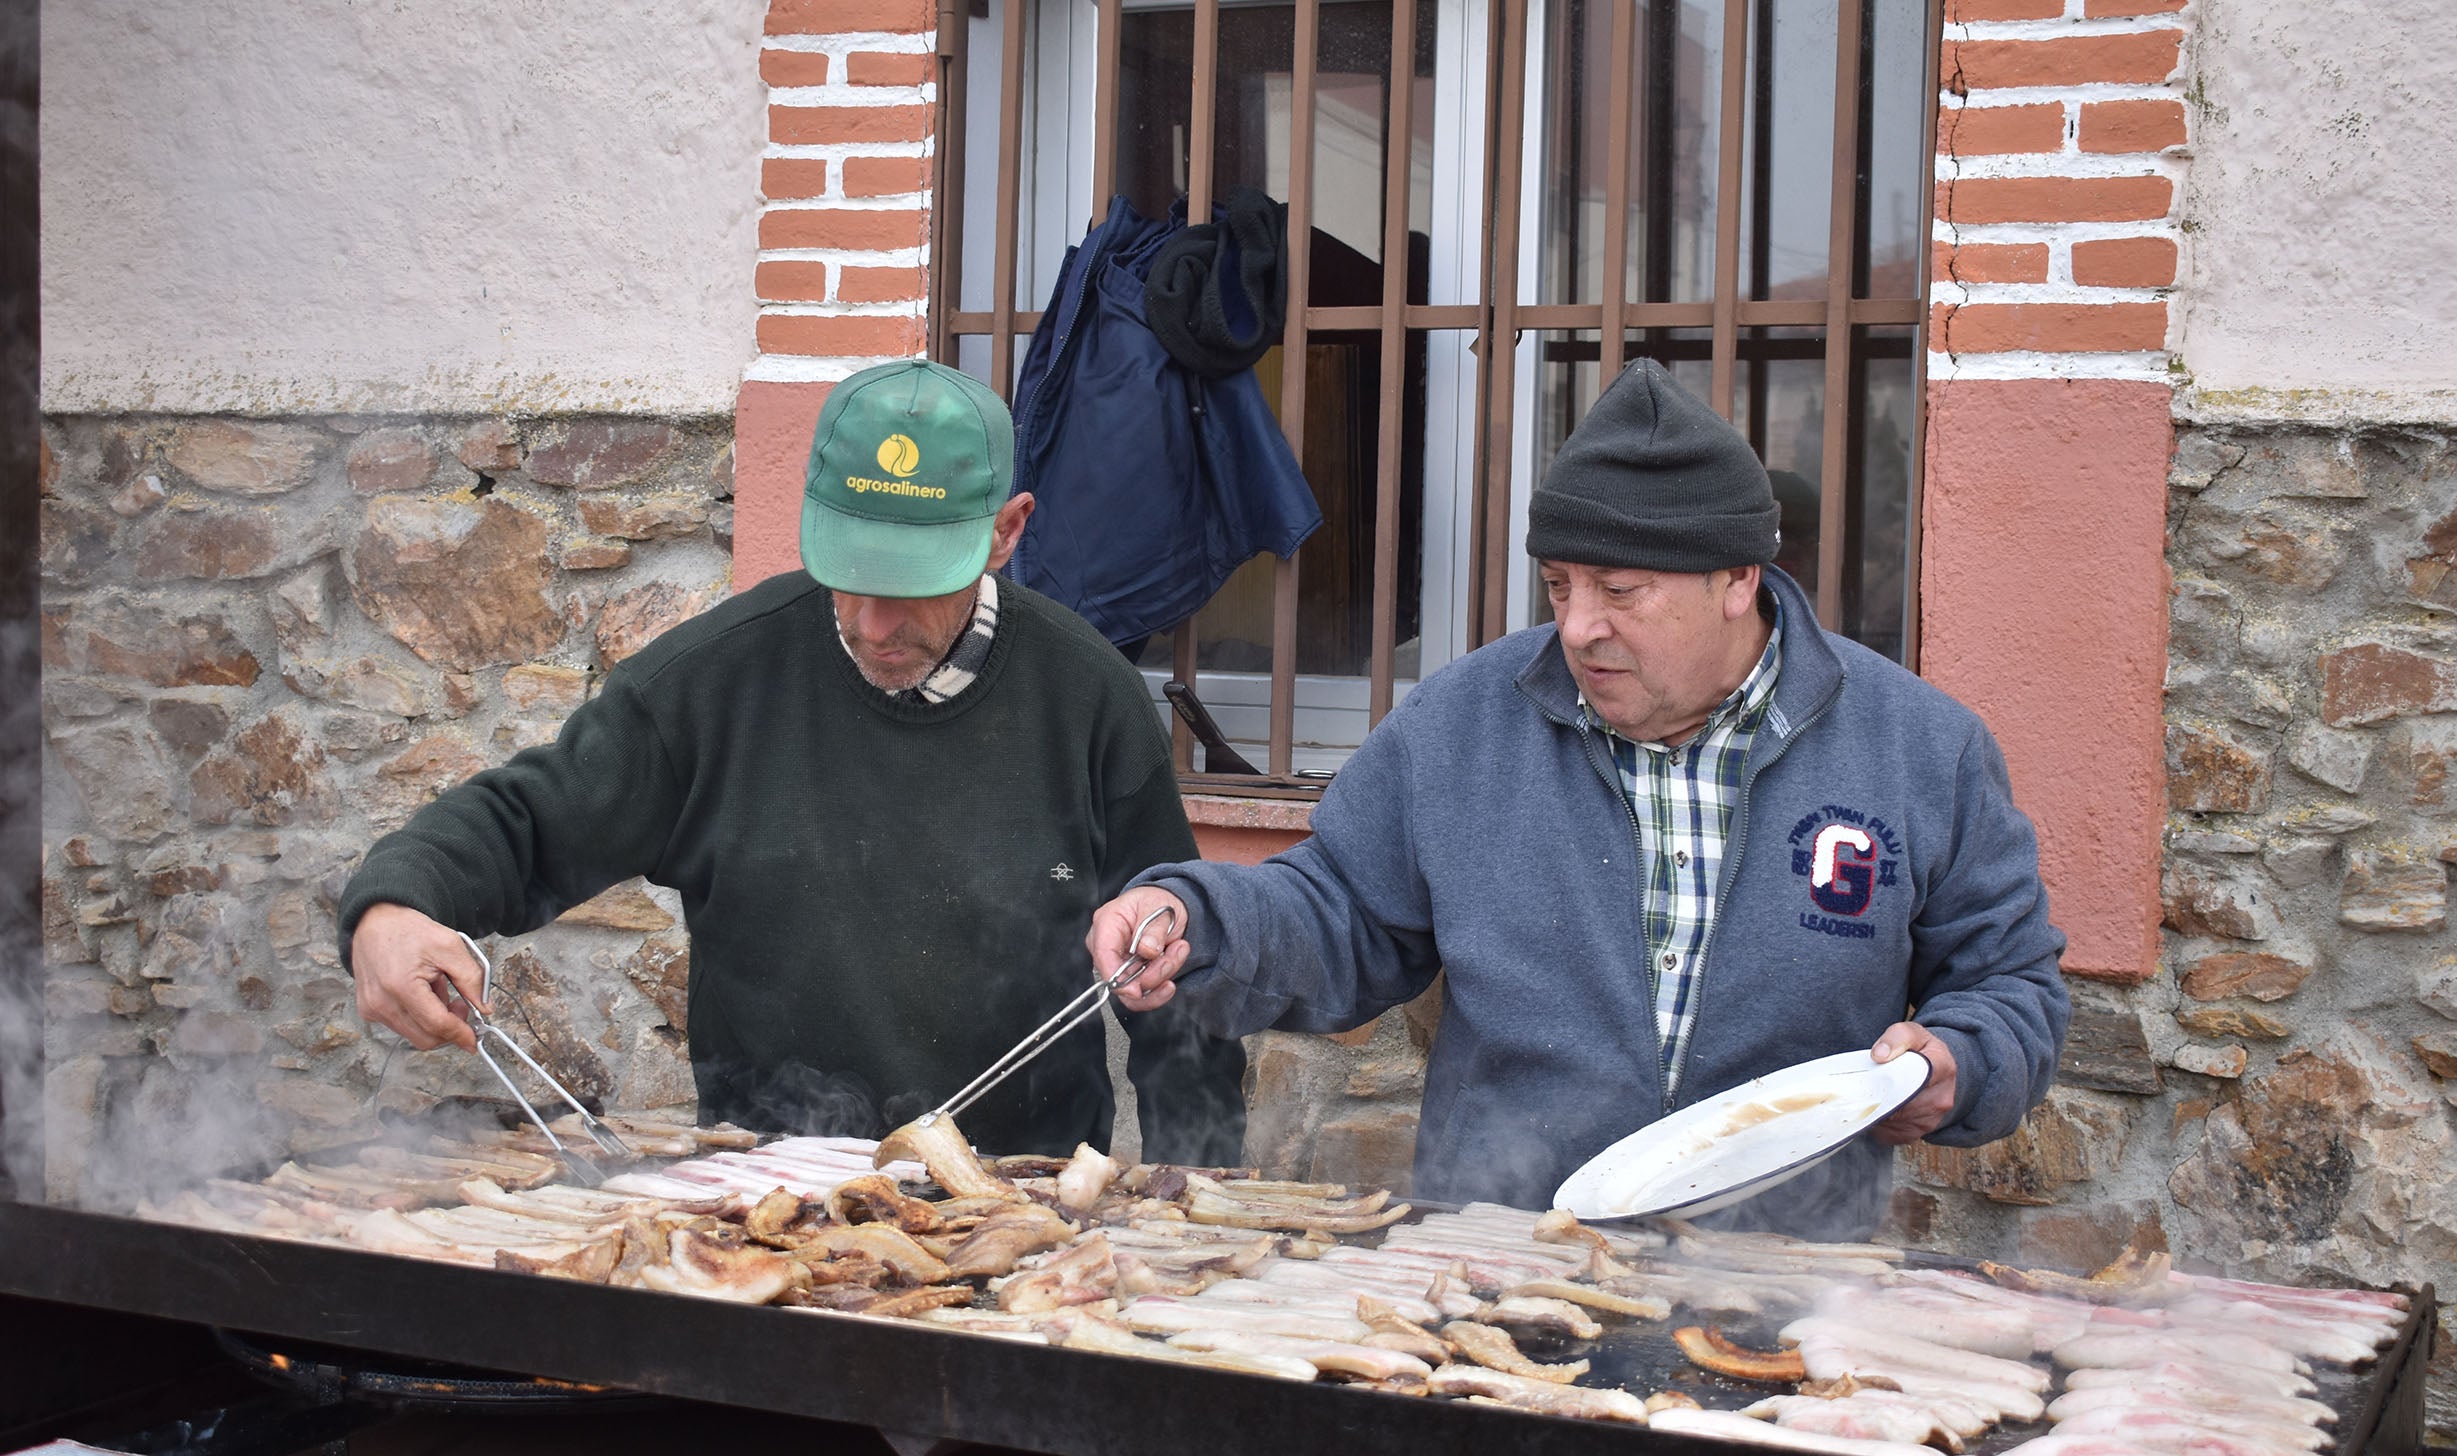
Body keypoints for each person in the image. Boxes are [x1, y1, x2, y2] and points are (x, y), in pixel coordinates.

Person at [1087, 359, 2068, 1235]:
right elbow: (1339, 908)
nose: (1579, 626)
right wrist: (1194, 915)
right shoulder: (1464, 727)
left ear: (1739, 577)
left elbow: (2009, 985)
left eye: (1619, 588)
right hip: (1501, 1264)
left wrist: (1961, 1062)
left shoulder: (1919, 751)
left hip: (1779, 1285)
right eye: (1558, 586)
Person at [341, 359, 1246, 1162]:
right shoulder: (716, 681)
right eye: (853, 572)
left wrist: (1191, 1198)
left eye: (914, 583)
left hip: (1019, 1212)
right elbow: (526, 822)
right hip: (765, 1207)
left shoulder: (1089, 698)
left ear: (1006, 533)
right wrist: (393, 905)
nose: (873, 625)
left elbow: (1175, 980)